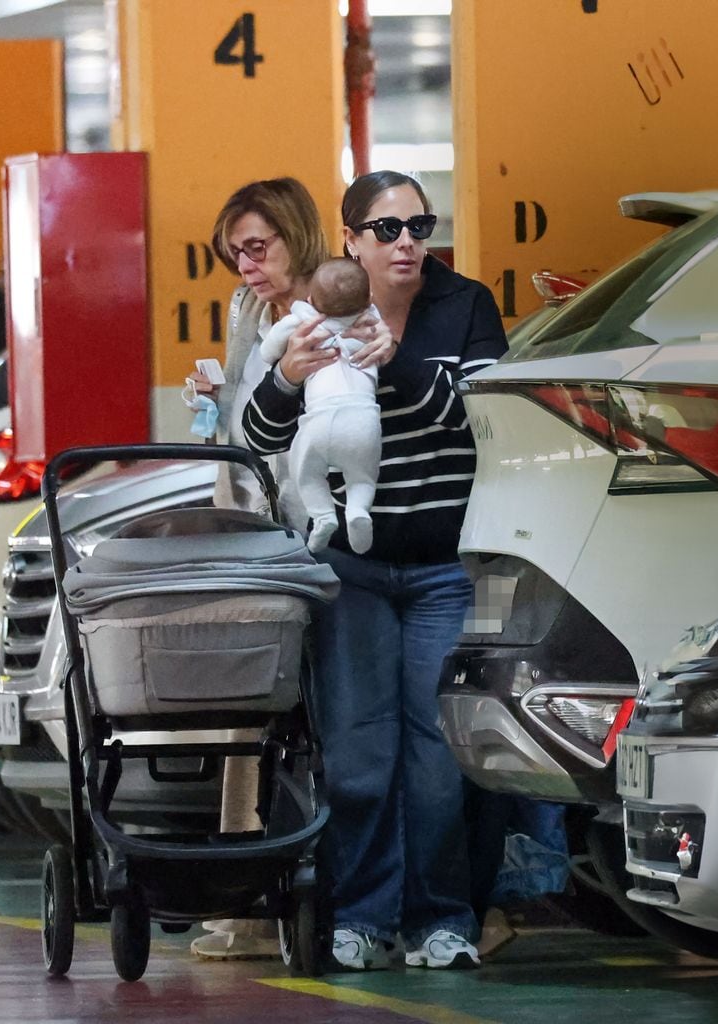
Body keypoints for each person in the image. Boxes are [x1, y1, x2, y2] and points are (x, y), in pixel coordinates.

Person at [243, 170, 508, 970]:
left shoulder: (464, 306)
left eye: (420, 227)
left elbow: (481, 409)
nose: (406, 244)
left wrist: (393, 365)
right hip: (349, 573)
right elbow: (259, 431)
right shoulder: (315, 310)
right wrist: (289, 375)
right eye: (387, 230)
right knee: (359, 754)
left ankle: (442, 918)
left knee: (438, 755)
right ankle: (360, 914)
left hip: (441, 566)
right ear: (350, 238)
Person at [183, 176, 338, 961]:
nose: (244, 264)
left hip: (318, 541)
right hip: (257, 538)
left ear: (295, 233)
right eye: (232, 252)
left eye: (256, 246)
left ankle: (312, 899)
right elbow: (247, 427)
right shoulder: (251, 313)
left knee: (323, 725)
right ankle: (242, 906)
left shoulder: (332, 305)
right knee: (249, 715)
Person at [259, 258, 381, 554]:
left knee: (308, 473)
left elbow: (267, 351)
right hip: (362, 419)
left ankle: (323, 516)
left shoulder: (301, 321)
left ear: (311, 300)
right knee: (362, 476)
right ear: (369, 298)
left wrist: (284, 355)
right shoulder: (373, 325)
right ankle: (358, 511)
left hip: (318, 421)